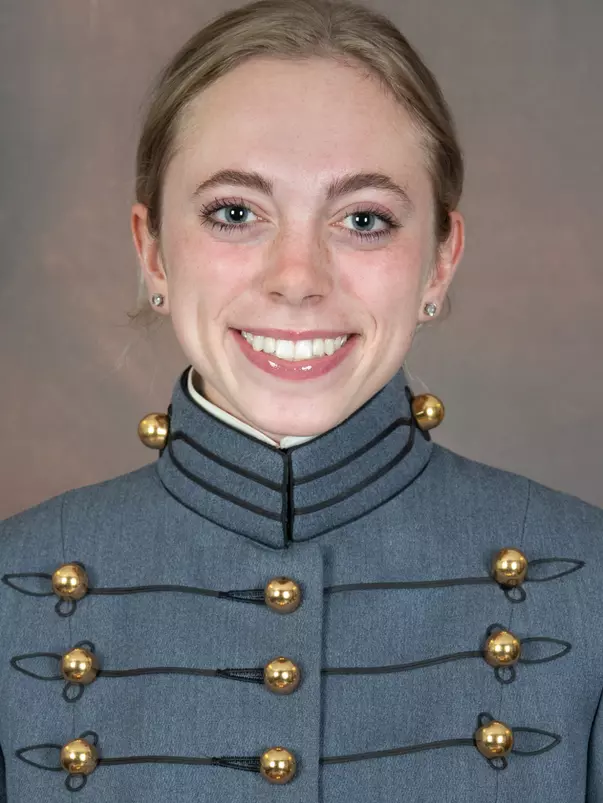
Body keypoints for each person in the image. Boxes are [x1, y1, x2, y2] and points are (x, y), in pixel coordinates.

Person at [1, 0, 601, 800]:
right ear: (152, 252)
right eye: (234, 213)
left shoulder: (589, 582)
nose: (296, 278)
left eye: (363, 218)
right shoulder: (10, 587)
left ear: (439, 261)